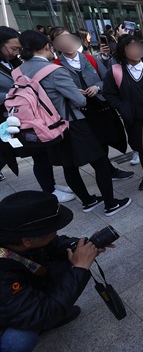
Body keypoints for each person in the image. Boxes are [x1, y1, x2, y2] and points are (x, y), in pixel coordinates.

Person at [18, 30, 131, 216]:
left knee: (68, 166)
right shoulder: (54, 70)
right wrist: (76, 92)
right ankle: (111, 204)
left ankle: (88, 201)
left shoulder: (20, 71)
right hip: (71, 122)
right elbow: (81, 101)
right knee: (100, 162)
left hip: (45, 126)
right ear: (48, 46)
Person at [0, 190, 111, 352]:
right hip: (5, 317)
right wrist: (80, 268)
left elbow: (53, 244)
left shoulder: (11, 234)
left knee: (67, 259)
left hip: (19, 293)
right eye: (53, 229)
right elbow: (41, 312)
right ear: (27, 240)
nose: (57, 231)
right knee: (21, 339)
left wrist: (80, 246)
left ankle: (50, 316)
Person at [0, 27, 75, 203]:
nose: (15, 52)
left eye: (18, 49)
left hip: (31, 114)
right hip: (12, 118)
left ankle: (52, 184)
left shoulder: (13, 63)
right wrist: (16, 94)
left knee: (43, 150)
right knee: (38, 154)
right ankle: (48, 190)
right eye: (12, 48)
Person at [49, 27, 132, 183]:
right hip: (80, 112)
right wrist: (73, 92)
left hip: (101, 107)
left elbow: (107, 78)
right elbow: (54, 92)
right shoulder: (55, 65)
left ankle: (108, 170)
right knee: (95, 143)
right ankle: (107, 171)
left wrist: (97, 87)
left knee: (108, 138)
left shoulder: (91, 59)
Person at [103, 35, 143, 191]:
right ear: (123, 52)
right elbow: (109, 94)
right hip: (134, 119)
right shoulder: (115, 71)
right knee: (142, 148)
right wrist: (123, 107)